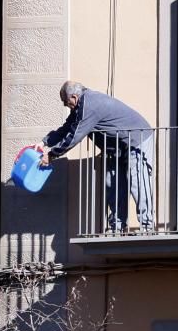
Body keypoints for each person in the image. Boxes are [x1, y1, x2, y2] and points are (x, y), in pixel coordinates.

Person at [37, 81, 154, 233]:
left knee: (138, 182)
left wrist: (52, 155)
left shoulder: (89, 105)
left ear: (74, 97)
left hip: (137, 140)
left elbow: (75, 136)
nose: (67, 106)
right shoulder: (81, 107)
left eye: (67, 103)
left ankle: (147, 227)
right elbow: (66, 128)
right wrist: (43, 143)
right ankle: (117, 228)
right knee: (113, 185)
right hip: (116, 148)